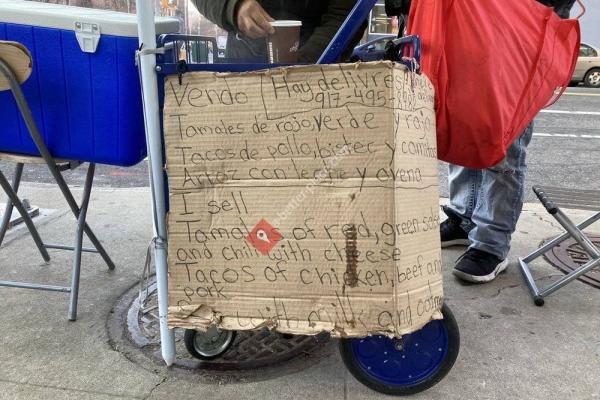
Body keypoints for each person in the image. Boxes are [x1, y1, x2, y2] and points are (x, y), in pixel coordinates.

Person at [440, 1, 577, 284]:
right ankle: (463, 219)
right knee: (465, 128)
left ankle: (491, 243)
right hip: (476, 26)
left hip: (524, 28)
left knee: (505, 144)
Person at [191, 0, 365, 63]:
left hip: (315, 63)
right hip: (244, 65)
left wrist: (304, 67)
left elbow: (343, 15)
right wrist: (233, 6)